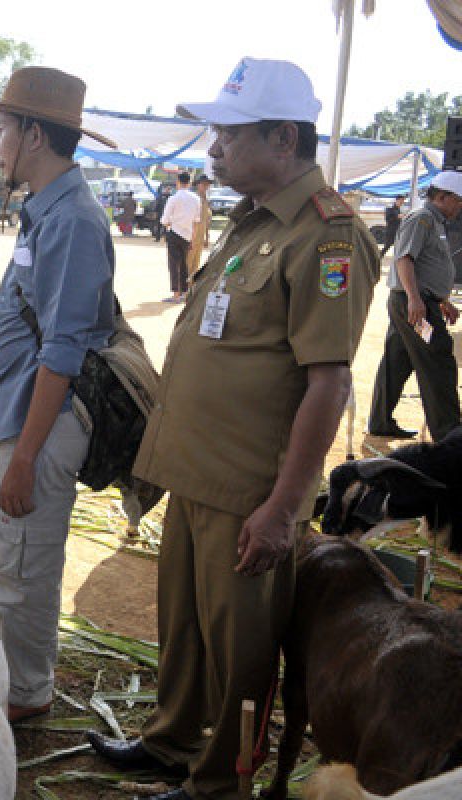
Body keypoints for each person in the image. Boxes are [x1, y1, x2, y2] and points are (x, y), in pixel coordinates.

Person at [85, 58, 380, 800]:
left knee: (240, 650)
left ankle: (220, 782)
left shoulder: (328, 237)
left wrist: (283, 507)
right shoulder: (254, 222)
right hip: (195, 471)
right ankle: (172, 740)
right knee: (186, 629)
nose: (213, 148)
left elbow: (329, 382)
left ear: (283, 138)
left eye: (229, 133)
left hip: (250, 487)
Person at [0, 67, 118, 724]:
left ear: (31, 133)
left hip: (41, 428)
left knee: (22, 572)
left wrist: (25, 455)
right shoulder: (48, 210)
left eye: (2, 130)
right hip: (21, 418)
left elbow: (63, 349)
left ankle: (25, 696)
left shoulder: (74, 220)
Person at [367, 172, 462, 442]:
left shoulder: (435, 221)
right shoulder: (422, 219)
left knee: (397, 361)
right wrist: (416, 299)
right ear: (442, 197)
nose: (460, 207)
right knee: (438, 360)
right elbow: (405, 259)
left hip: (416, 303)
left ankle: (381, 422)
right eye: (458, 201)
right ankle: (450, 436)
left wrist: (441, 300)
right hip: (415, 306)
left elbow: (426, 265)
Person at [161, 172, 201, 302]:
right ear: (189, 183)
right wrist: (192, 239)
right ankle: (184, 292)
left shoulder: (173, 198)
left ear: (178, 182)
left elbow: (165, 220)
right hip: (187, 235)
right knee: (184, 263)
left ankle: (176, 294)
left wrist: (170, 224)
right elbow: (196, 221)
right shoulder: (196, 199)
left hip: (174, 233)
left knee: (173, 264)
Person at [187, 174, 214, 278]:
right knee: (188, 261)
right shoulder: (193, 198)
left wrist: (207, 237)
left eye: (207, 184)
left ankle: (190, 287)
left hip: (201, 236)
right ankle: (182, 288)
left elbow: (206, 220)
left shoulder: (206, 200)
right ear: (198, 185)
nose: (206, 186)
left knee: (196, 263)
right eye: (204, 184)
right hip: (192, 235)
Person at [379, 193, 406, 259]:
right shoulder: (390, 208)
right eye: (401, 201)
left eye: (403, 201)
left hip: (398, 231)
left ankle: (397, 260)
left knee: (399, 246)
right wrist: (397, 217)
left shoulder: (399, 209)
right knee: (387, 246)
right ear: (397, 200)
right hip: (391, 231)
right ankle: (378, 257)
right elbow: (388, 220)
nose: (402, 202)